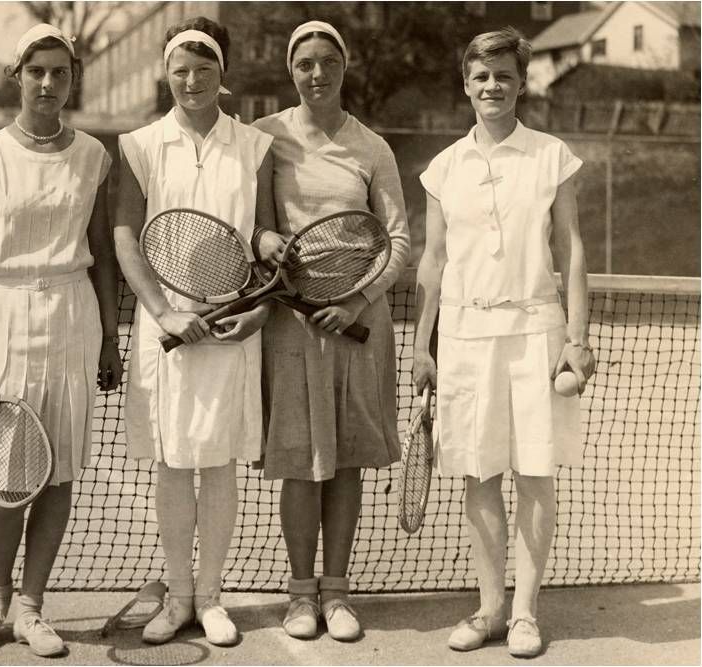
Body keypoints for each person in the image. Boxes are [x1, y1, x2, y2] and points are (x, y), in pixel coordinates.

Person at [413, 27, 596, 658]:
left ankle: (523, 613)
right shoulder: (442, 168)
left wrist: (577, 337)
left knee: (535, 474)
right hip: (464, 336)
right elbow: (432, 262)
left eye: (505, 76)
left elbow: (571, 248)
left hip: (536, 333)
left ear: (521, 84)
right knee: (479, 476)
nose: (492, 86)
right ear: (465, 84)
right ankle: (489, 608)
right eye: (481, 76)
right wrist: (422, 345)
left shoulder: (552, 156)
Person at [0, 23, 122, 657]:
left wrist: (110, 336)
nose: (48, 83)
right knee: (7, 481)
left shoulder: (94, 157)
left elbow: (102, 253)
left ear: (71, 78)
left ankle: (31, 608)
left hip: (73, 321)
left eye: (59, 72)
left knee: (57, 478)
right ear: (16, 78)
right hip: (6, 323)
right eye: (36, 72)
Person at [114, 17, 275, 647]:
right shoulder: (138, 145)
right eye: (180, 69)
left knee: (218, 465)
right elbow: (127, 236)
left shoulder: (255, 146)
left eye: (203, 69)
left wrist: (259, 304)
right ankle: (178, 597)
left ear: (222, 73)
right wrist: (163, 311)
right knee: (174, 465)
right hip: (167, 328)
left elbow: (261, 233)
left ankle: (210, 597)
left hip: (233, 323)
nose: (191, 80)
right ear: (165, 73)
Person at [252, 20, 410, 642]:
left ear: (344, 68)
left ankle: (338, 592)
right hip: (291, 327)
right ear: (290, 71)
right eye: (304, 63)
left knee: (344, 463)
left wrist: (359, 301)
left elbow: (397, 241)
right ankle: (299, 594)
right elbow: (255, 227)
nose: (316, 74)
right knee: (300, 463)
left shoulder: (373, 147)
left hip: (358, 323)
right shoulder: (265, 139)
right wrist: (267, 242)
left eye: (327, 62)